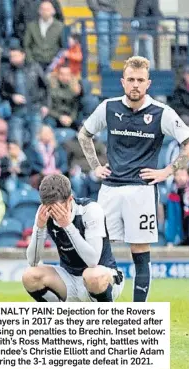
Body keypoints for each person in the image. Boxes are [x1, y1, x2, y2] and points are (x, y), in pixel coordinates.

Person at [77, 56, 189, 302]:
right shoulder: (109, 107)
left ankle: (139, 313)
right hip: (110, 189)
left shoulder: (162, 113)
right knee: (97, 252)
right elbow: (84, 134)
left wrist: (165, 172)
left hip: (141, 191)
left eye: (140, 80)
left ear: (148, 83)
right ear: (123, 82)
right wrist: (95, 167)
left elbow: (187, 143)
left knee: (140, 251)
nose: (135, 85)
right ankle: (103, 305)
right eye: (131, 80)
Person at [23, 174, 125, 302]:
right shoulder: (43, 213)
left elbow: (93, 261)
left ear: (70, 199)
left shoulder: (90, 210)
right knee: (30, 275)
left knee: (92, 275)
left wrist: (67, 226)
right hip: (69, 278)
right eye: (50, 208)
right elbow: (32, 261)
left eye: (59, 208)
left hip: (103, 277)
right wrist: (39, 228)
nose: (54, 214)